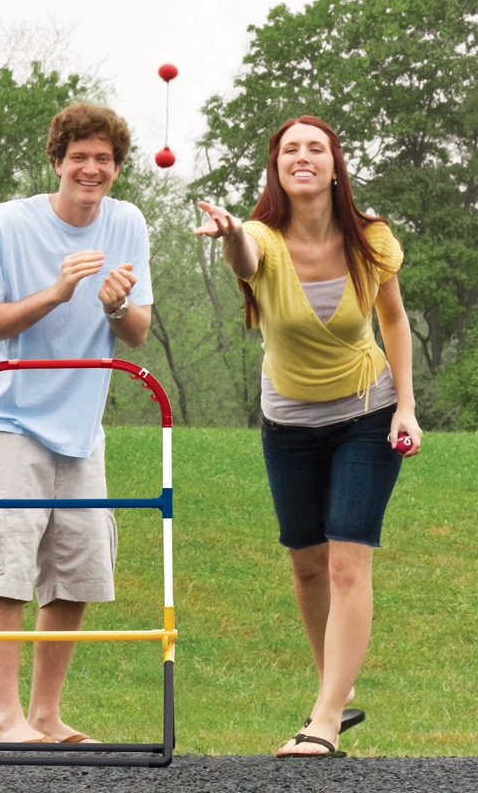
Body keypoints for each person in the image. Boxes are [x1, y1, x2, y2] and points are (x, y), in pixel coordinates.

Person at [194, 115, 422, 758]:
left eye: (315, 148)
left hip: (366, 412)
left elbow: (395, 319)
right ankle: (338, 692)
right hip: (289, 423)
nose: (303, 156)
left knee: (349, 561)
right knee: (308, 563)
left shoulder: (371, 239)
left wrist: (406, 407)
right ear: (277, 168)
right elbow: (244, 258)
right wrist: (232, 233)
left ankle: (322, 719)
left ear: (334, 165)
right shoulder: (261, 239)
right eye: (290, 149)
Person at [0, 102, 153, 744]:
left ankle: (45, 716)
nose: (91, 170)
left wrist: (116, 304)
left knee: (75, 569)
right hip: (8, 418)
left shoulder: (127, 223)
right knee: (5, 569)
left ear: (117, 168)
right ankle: (7, 719)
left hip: (81, 428)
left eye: (104, 159)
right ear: (57, 161)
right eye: (80, 158)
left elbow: (138, 332)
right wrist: (54, 292)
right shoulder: (6, 224)